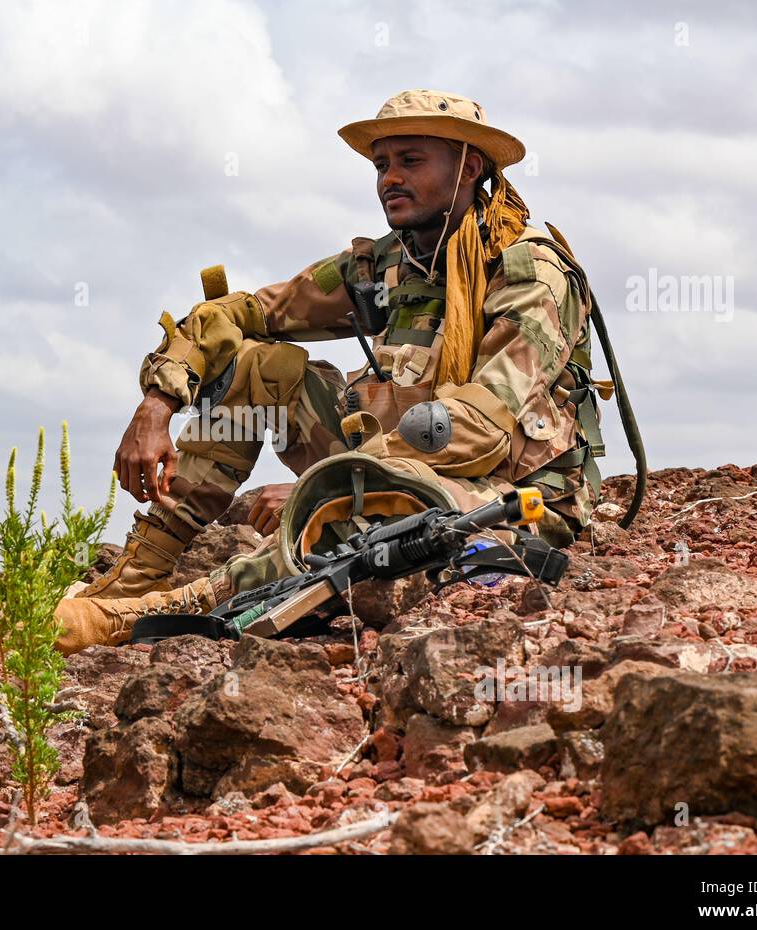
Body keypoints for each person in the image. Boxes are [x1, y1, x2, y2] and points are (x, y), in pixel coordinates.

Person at [56, 89, 609, 654]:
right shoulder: (388, 263)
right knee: (256, 367)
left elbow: (478, 427)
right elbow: (241, 314)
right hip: (394, 463)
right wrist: (157, 404)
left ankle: (165, 611)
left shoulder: (529, 272)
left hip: (512, 492)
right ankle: (140, 574)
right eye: (381, 165)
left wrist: (324, 483)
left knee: (351, 516)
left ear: (468, 165)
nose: (389, 178)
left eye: (411, 161)